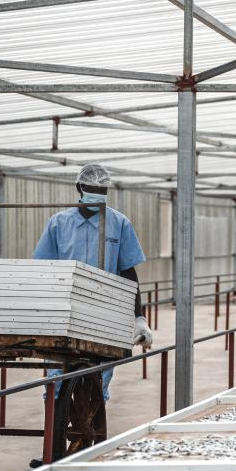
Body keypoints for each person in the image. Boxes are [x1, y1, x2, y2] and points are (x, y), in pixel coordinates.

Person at [33, 163, 153, 402]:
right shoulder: (59, 223)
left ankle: (90, 427)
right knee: (57, 380)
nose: (97, 192)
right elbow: (44, 269)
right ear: (79, 187)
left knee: (96, 382)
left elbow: (128, 272)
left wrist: (138, 317)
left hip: (104, 312)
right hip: (64, 311)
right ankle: (57, 427)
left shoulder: (119, 223)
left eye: (103, 189)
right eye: (91, 187)